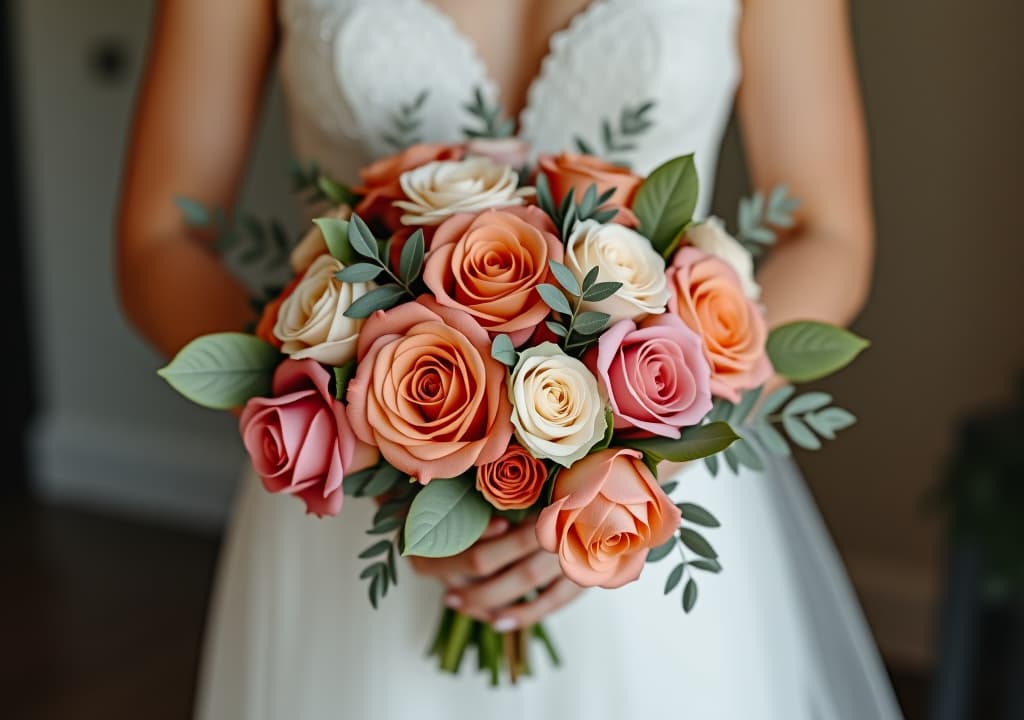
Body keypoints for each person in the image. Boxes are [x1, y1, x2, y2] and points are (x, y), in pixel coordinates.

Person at [116, 1, 902, 718]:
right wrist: (350, 434)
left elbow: (827, 233)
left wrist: (634, 464)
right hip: (356, 519)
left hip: (649, 512)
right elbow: (158, 239)